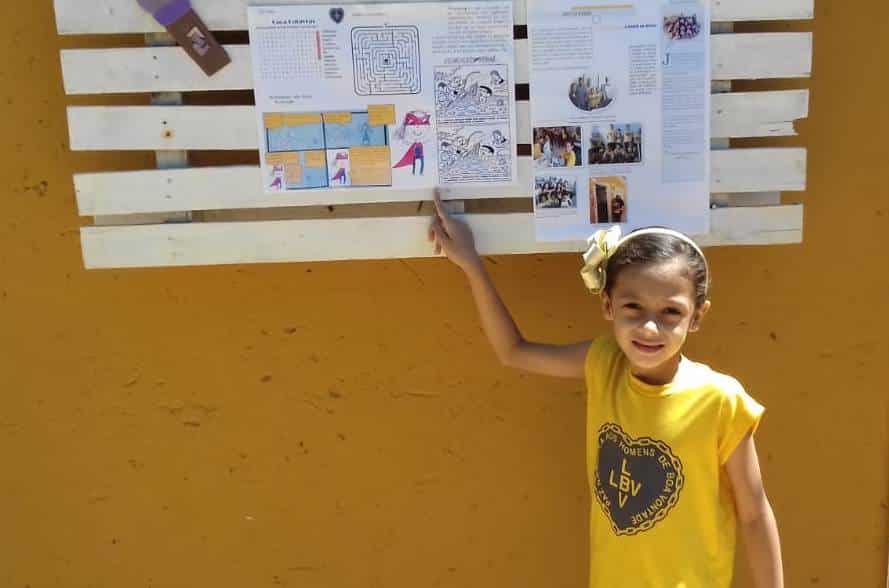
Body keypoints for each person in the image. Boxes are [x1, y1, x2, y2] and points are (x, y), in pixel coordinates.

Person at [427, 196, 784, 588]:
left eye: (670, 312)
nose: (650, 328)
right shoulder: (604, 364)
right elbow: (514, 351)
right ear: (608, 305)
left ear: (697, 316)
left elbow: (753, 514)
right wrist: (472, 265)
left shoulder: (720, 400)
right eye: (634, 307)